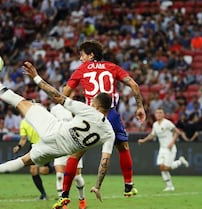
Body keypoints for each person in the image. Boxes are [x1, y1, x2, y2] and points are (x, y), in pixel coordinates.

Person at [0, 62, 115, 209]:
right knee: (22, 162)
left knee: (19, 101)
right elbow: (105, 162)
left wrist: (36, 78)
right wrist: (97, 185)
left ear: (96, 105)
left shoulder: (88, 110)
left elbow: (57, 96)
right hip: (56, 150)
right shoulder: (109, 133)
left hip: (52, 129)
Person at [61, 40, 146, 200]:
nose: (80, 59)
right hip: (110, 114)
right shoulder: (112, 67)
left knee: (75, 155)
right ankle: (128, 186)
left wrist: (68, 109)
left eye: (82, 55)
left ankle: (64, 196)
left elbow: (65, 91)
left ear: (91, 55)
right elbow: (134, 85)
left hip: (87, 115)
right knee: (123, 147)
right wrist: (140, 106)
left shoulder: (81, 69)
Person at [137, 107, 189, 191]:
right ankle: (169, 186)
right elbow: (152, 135)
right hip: (162, 149)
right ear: (155, 114)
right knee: (162, 167)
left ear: (163, 114)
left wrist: (172, 142)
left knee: (166, 167)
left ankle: (180, 161)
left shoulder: (167, 123)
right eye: (157, 113)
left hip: (170, 148)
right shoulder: (155, 125)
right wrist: (143, 140)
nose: (159, 114)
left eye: (160, 112)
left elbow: (177, 132)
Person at [50, 103, 86, 209]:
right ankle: (62, 202)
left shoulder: (77, 106)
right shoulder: (55, 109)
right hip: (59, 144)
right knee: (60, 175)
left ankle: (82, 198)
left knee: (76, 177)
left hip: (74, 145)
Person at [13, 118, 50, 200]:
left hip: (44, 144)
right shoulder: (23, 122)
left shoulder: (39, 117)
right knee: (33, 170)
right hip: (34, 146)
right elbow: (23, 139)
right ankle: (43, 194)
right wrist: (18, 147)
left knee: (44, 170)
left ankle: (53, 168)